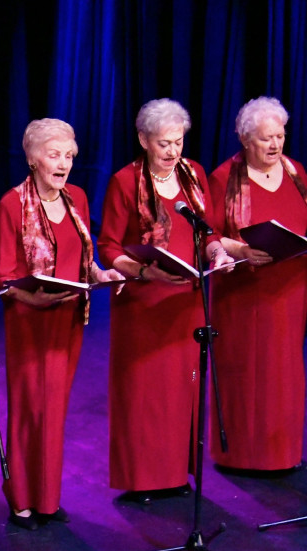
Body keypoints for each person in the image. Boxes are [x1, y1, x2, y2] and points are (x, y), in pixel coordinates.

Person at [98, 99, 233, 504]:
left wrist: (217, 253)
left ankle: (174, 474)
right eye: (163, 143)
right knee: (143, 393)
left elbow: (209, 232)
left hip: (185, 302)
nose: (173, 151)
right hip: (143, 305)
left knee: (180, 390)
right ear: (143, 140)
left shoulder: (195, 174)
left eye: (178, 142)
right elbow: (108, 246)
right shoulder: (125, 181)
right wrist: (142, 271)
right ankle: (142, 480)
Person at [0, 119, 123, 530]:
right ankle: (21, 499)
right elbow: (4, 276)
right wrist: (34, 297)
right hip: (30, 321)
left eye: (68, 156)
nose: (63, 163)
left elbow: (85, 255)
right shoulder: (11, 204)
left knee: (54, 409)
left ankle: (47, 498)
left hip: (68, 318)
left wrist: (101, 274)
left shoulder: (77, 197)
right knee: (29, 408)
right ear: (32, 159)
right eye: (54, 155)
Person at [209, 97, 307, 473]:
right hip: (243, 294)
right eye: (266, 138)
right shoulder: (224, 177)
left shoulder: (296, 171)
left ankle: (283, 454)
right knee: (246, 373)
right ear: (246, 139)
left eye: (280, 136)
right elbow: (209, 235)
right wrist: (242, 249)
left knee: (283, 373)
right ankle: (241, 456)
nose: (275, 144)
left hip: (289, 290)